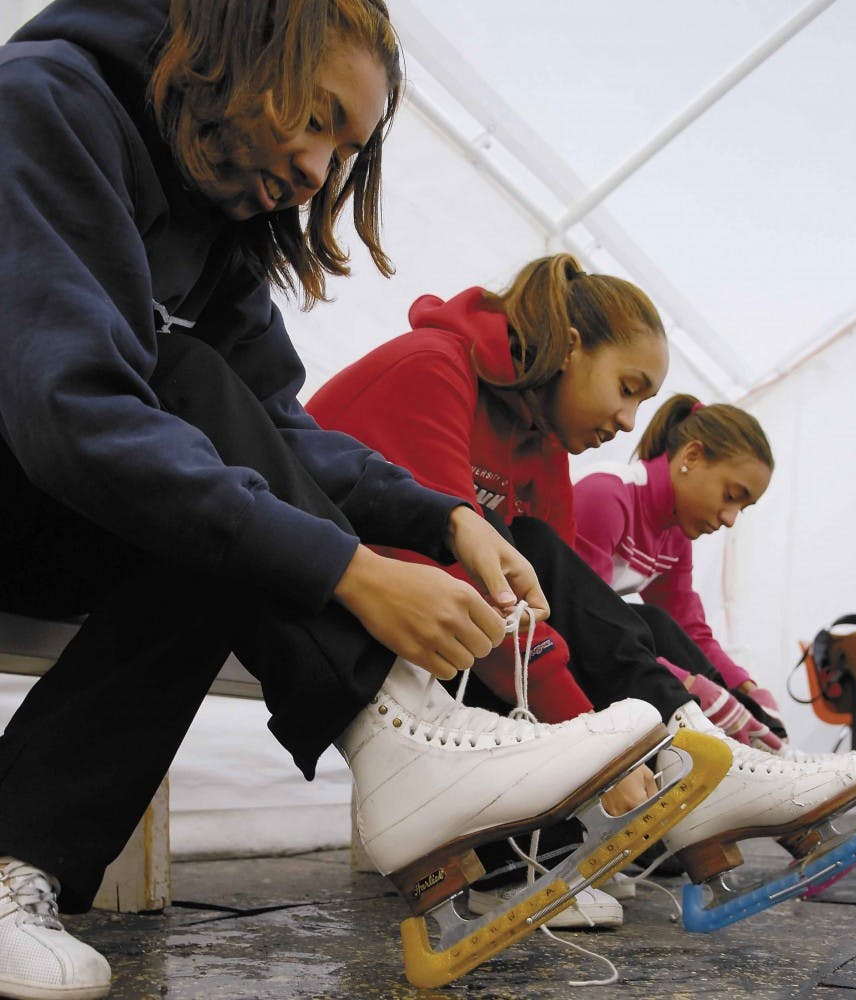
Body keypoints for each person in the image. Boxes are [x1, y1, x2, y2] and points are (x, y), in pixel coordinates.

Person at [0, 4, 677, 997]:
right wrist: (350, 570)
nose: (322, 172)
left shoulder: (220, 225)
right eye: (317, 120)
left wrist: (444, 519)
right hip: (33, 460)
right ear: (237, 52)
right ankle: (396, 740)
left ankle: (19, 855)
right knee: (183, 386)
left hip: (71, 504)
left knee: (220, 497)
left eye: (346, 151)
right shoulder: (45, 105)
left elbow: (278, 429)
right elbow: (72, 408)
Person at [307, 253, 856, 918]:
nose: (626, 421)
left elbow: (556, 603)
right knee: (524, 558)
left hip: (436, 608)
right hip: (329, 584)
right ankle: (659, 778)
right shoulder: (434, 365)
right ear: (571, 346)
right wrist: (591, 737)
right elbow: (498, 591)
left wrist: (679, 711)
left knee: (572, 583)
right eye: (626, 387)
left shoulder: (543, 444)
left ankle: (694, 754)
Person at [572, 394, 856, 775]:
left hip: (594, 646)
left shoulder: (675, 533)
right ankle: (763, 764)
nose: (731, 519)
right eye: (731, 496)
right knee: (651, 623)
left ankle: (773, 754)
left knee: (662, 626)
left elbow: (691, 630)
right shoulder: (606, 496)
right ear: (692, 457)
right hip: (555, 644)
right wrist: (688, 684)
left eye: (742, 508)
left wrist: (744, 689)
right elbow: (589, 625)